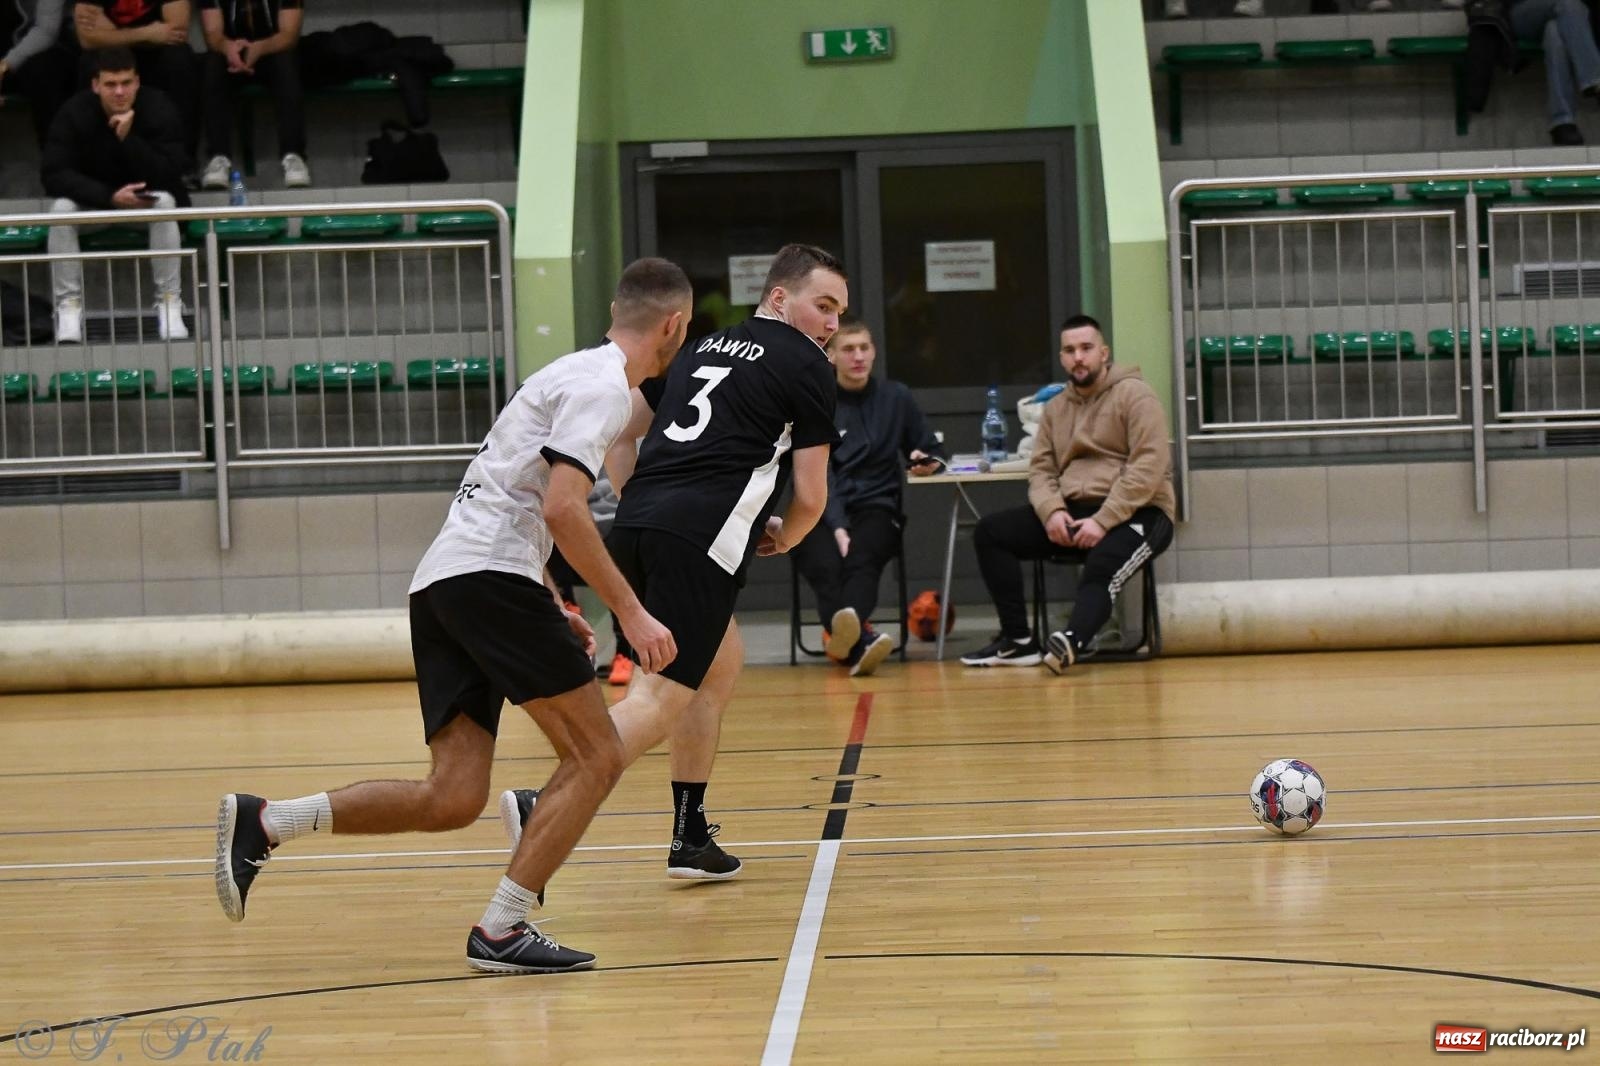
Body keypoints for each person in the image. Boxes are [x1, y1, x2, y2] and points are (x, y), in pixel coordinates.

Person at [212, 257, 694, 975]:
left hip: (446, 581)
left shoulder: (564, 373)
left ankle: (267, 821)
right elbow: (563, 508)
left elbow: (514, 492)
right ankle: (503, 929)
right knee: (598, 756)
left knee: (454, 795)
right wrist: (633, 612)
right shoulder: (605, 391)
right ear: (674, 326)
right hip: (488, 579)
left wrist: (552, 601)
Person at [499, 243, 843, 881]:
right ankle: (545, 800)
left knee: (717, 671)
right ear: (778, 298)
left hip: (637, 530)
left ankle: (689, 834)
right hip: (698, 540)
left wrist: (641, 502)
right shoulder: (807, 365)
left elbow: (622, 433)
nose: (832, 324)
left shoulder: (700, 348)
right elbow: (813, 495)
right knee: (659, 697)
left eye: (839, 313)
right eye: (823, 306)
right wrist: (788, 536)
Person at [959, 314, 1175, 675]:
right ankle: (1018, 641)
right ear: (1062, 358)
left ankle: (1071, 642)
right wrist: (1052, 512)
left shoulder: (1136, 395)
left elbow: (1148, 467)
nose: (1078, 357)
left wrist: (1104, 520)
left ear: (1103, 353)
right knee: (991, 533)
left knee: (1102, 566)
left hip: (1141, 512)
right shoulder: (1056, 408)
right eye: (1070, 350)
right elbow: (1041, 470)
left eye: (1086, 349)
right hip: (1074, 512)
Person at [791, 317, 943, 677]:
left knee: (862, 558)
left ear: (873, 352)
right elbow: (818, 471)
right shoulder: (815, 402)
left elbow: (930, 448)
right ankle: (861, 641)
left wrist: (926, 460)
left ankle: (847, 638)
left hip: (878, 506)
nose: (858, 356)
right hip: (821, 506)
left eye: (864, 348)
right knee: (822, 561)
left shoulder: (896, 398)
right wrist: (839, 526)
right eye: (848, 349)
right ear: (830, 356)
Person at [42, 46, 188, 343]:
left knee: (167, 203)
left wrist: (129, 140)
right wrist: (109, 197)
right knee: (60, 209)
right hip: (95, 206)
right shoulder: (74, 112)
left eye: (126, 83)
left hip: (144, 205)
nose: (119, 92)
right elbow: (53, 174)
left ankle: (170, 302)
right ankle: (68, 308)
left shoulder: (158, 106)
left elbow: (172, 173)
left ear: (137, 82)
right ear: (96, 85)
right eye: (110, 84)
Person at [197, 0, 308, 189]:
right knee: (212, 66)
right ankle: (218, 157)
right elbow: (213, 35)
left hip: (273, 48)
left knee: (287, 64)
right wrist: (228, 48)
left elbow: (289, 35)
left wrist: (260, 48)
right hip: (231, 52)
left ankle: (293, 155)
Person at [73, 0, 198, 166]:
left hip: (157, 55)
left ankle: (181, 164)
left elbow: (176, 31)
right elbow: (87, 39)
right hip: (115, 56)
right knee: (90, 63)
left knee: (180, 58)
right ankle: (97, 164)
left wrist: (111, 33)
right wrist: (147, 33)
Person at [546, 470, 638, 687]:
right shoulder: (560, 453)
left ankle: (624, 654)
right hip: (577, 525)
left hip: (616, 527)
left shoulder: (630, 445)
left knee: (622, 581)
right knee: (548, 531)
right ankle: (566, 604)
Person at [1510, 0, 1600, 145]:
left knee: (1554, 31)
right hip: (1522, 11)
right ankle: (1595, 79)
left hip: (1567, 16)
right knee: (1569, 4)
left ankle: (1562, 123)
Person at [0, 0, 77, 147]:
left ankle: (54, 154)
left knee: (42, 70)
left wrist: (5, 65)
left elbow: (46, 31)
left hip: (46, 46)